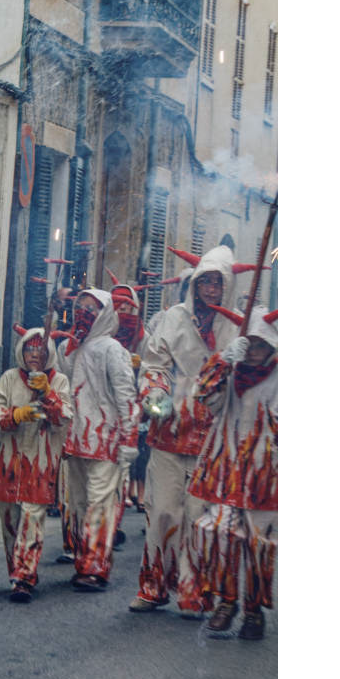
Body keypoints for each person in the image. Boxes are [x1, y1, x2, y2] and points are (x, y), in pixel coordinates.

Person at [130, 244, 247, 616]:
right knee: (162, 510)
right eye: (205, 282)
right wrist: (155, 394)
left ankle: (193, 590)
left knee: (200, 517)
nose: (211, 290)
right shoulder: (172, 319)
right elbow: (154, 365)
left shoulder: (237, 325)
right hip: (170, 429)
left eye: (218, 283)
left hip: (212, 440)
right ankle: (152, 586)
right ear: (195, 284)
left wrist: (240, 360)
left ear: (226, 286)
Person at [189, 306, 278, 639]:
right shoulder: (230, 375)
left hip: (265, 478)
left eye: (260, 344)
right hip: (225, 473)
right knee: (218, 534)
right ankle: (226, 601)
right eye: (249, 343)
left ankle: (253, 611)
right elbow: (203, 395)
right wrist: (223, 361)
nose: (254, 351)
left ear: (272, 344)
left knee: (259, 545)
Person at [53, 288, 138, 590]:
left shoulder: (113, 349)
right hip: (75, 440)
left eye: (91, 308)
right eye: (80, 307)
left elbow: (126, 395)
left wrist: (129, 437)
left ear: (104, 313)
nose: (84, 312)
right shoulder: (69, 347)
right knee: (76, 503)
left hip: (106, 439)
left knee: (100, 503)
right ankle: (82, 558)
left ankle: (95, 567)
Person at [0, 325, 71, 602]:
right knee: (9, 518)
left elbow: (65, 418)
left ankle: (25, 577)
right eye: (29, 348)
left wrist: (48, 394)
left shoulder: (59, 381)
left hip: (41, 461)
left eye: (40, 349)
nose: (34, 353)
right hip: (9, 461)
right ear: (22, 350)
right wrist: (16, 414)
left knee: (33, 517)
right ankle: (16, 571)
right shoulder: (9, 378)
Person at [108, 283, 145, 548]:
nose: (123, 311)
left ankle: (112, 525)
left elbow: (154, 369)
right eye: (118, 306)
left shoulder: (141, 337)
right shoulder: (103, 333)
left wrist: (139, 368)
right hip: (99, 416)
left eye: (127, 306)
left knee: (120, 475)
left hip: (126, 414)